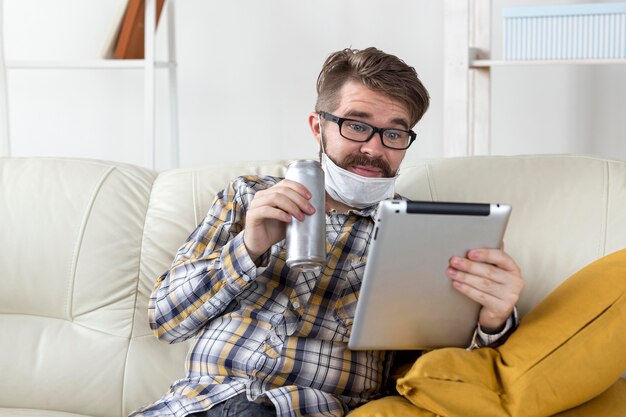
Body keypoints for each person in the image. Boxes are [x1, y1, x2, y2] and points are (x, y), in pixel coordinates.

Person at [129, 47, 524, 417]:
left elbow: (442, 373)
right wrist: (248, 249)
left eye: (394, 133)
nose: (373, 148)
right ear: (318, 127)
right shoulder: (248, 196)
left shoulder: (422, 235)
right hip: (195, 405)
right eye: (356, 125)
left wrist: (493, 321)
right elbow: (165, 321)